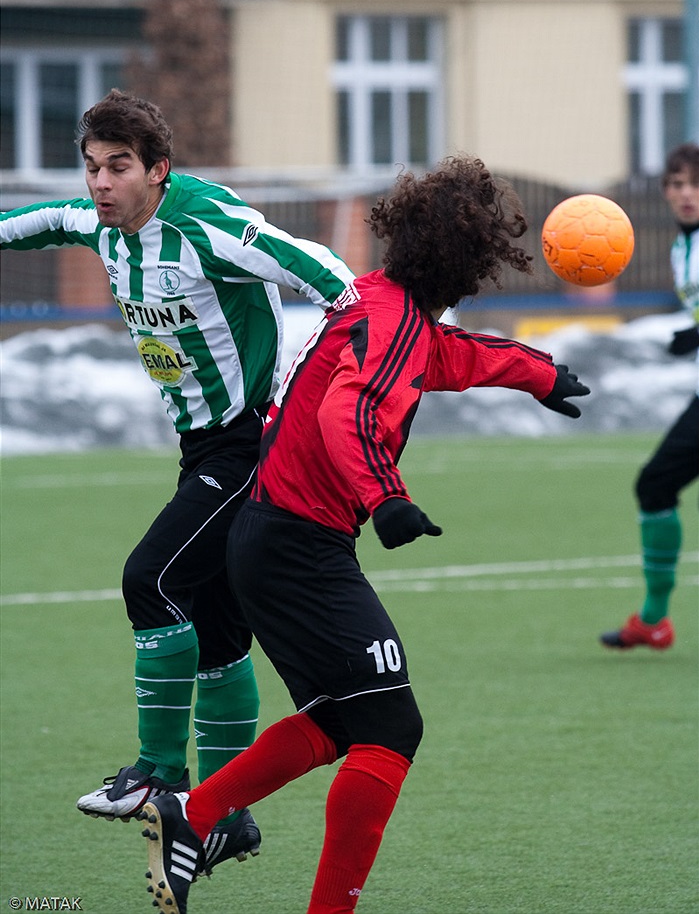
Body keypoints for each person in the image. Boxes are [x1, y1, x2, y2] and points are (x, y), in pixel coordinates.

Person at [134, 154, 591, 914]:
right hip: (295, 546)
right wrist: (388, 500)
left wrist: (539, 375)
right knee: (391, 723)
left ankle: (193, 814)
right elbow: (343, 412)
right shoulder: (389, 324)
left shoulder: (383, 305)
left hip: (274, 540)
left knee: (343, 718)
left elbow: (452, 356)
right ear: (467, 259)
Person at [0, 89, 355, 873]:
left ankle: (160, 774)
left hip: (249, 445)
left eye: (118, 168)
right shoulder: (102, 224)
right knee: (219, 634)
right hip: (202, 448)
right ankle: (230, 817)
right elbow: (29, 225)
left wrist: (351, 364)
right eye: (92, 167)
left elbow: (329, 273)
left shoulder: (205, 225)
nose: (100, 183)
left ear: (158, 169)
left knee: (150, 580)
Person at [600, 142, 699, 651]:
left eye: (695, 184)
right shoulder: (683, 248)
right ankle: (654, 621)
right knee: (655, 487)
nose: (686, 194)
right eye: (677, 184)